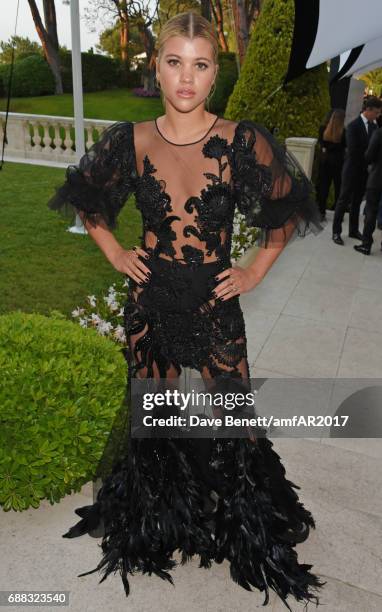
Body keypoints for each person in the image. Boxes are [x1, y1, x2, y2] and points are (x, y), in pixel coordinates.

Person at [48, 12, 325, 611]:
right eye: (175, 62)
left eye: (200, 65)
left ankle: (248, 528)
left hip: (214, 301)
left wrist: (252, 270)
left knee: (232, 411)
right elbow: (88, 200)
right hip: (149, 300)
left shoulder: (240, 140)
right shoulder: (131, 140)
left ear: (214, 73)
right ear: (157, 66)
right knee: (156, 413)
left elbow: (289, 211)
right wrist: (117, 250)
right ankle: (157, 522)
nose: (186, 78)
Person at [332, 96, 382, 245]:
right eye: (377, 112)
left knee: (356, 202)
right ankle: (336, 232)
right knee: (343, 200)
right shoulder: (353, 126)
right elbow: (353, 151)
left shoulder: (374, 127)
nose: (378, 115)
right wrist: (368, 159)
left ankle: (353, 230)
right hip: (351, 170)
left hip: (364, 173)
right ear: (369, 110)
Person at [354, 126, 382, 254]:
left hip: (377, 178)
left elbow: (369, 156)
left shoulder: (379, 132)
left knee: (371, 211)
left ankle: (366, 245)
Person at [315, 109, 346, 222]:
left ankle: (321, 212)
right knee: (339, 188)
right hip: (338, 163)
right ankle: (338, 214)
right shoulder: (343, 132)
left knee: (323, 187)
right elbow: (345, 147)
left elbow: (321, 143)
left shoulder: (323, 129)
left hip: (325, 162)